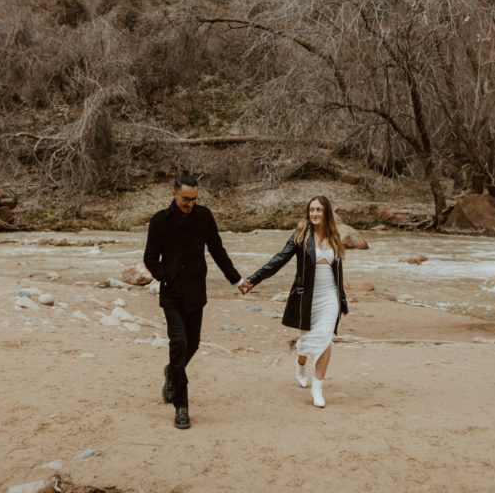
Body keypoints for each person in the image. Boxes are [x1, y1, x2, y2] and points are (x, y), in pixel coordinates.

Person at [143, 171, 247, 429]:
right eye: (185, 199)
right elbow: (149, 259)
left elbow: (217, 250)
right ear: (174, 194)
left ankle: (171, 372)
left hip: (196, 293)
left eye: (194, 199)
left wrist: (236, 280)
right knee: (178, 342)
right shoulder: (160, 221)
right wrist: (164, 277)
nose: (190, 204)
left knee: (193, 345)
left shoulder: (204, 217)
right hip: (171, 294)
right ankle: (182, 406)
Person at [243, 194, 347, 408]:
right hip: (307, 298)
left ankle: (317, 389)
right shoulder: (301, 235)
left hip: (329, 296)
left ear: (326, 212)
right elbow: (279, 259)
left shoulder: (334, 236)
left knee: (325, 339)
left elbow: (339, 272)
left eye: (319, 210)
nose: (315, 213)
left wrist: (342, 301)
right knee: (307, 341)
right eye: (312, 210)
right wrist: (254, 279)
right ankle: (301, 362)